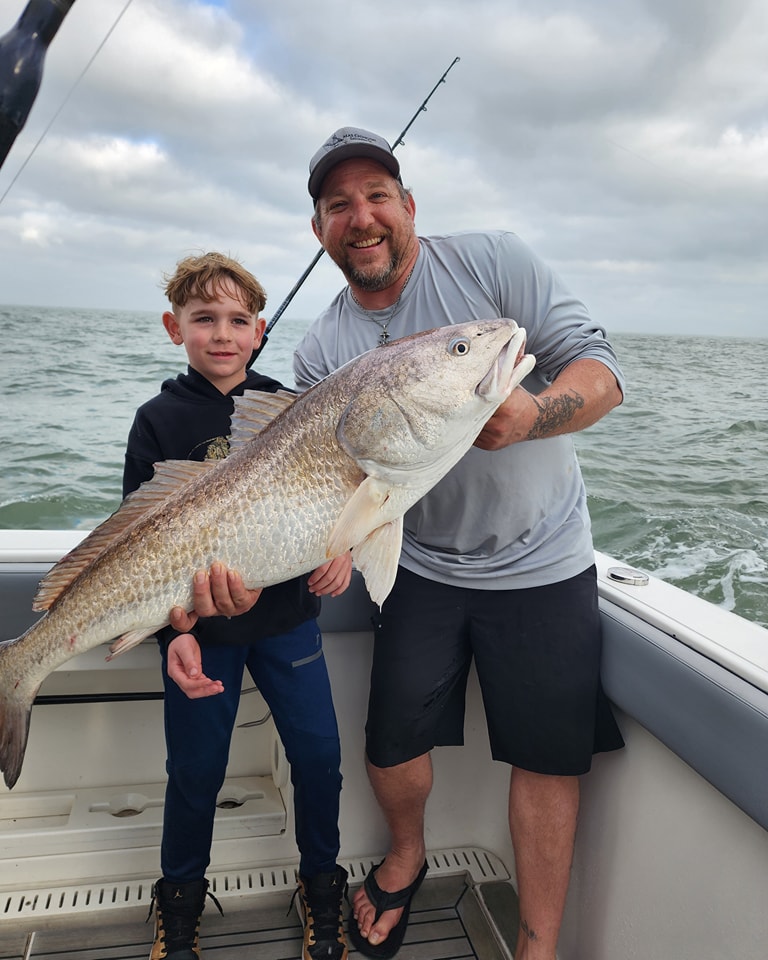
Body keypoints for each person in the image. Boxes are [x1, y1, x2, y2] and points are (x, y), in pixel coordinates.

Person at [292, 128, 627, 960]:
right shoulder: (320, 351)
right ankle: (406, 857)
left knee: (548, 756)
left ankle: (538, 946)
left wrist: (531, 415)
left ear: (409, 207)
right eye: (339, 205)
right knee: (391, 740)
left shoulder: (492, 265)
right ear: (320, 230)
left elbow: (601, 370)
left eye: (377, 197)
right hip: (418, 564)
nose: (360, 217)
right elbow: (326, 492)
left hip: (543, 558)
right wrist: (321, 550)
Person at [123, 252, 352, 960]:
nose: (222, 334)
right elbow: (137, 547)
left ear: (258, 331)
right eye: (204, 319)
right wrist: (175, 636)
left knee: (319, 760)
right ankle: (180, 906)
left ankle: (321, 888)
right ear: (174, 327)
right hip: (203, 634)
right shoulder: (156, 420)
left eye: (238, 320)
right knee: (195, 774)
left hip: (287, 622)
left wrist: (342, 546)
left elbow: (336, 488)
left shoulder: (291, 407)